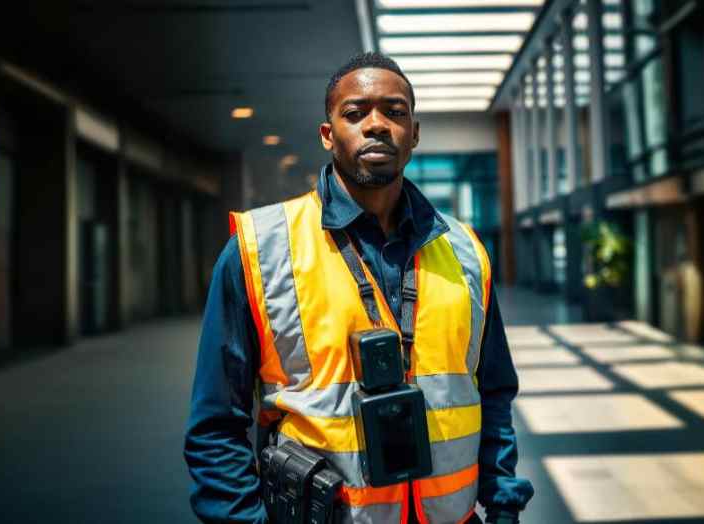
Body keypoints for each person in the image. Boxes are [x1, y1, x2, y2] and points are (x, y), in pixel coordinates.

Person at [183, 52, 533, 524]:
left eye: (395, 111)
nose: (376, 125)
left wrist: (505, 508)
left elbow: (493, 395)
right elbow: (215, 427)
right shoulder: (258, 250)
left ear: (414, 133)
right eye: (355, 113)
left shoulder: (466, 252)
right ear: (328, 135)